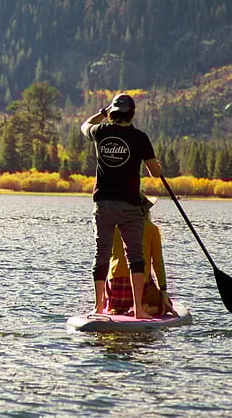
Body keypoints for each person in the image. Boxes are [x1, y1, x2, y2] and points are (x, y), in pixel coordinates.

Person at [80, 92, 163, 319]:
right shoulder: (140, 138)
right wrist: (157, 166)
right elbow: (154, 172)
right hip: (130, 206)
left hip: (104, 205)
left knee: (101, 255)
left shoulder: (99, 131)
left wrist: (101, 114)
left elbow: (84, 125)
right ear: (132, 113)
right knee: (136, 257)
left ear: (112, 113)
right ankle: (138, 310)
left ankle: (98, 309)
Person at [105, 194, 173, 316]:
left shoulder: (114, 227)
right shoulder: (152, 229)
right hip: (138, 289)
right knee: (164, 305)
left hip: (115, 288)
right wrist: (163, 292)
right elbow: (158, 264)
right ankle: (144, 308)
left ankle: (115, 306)